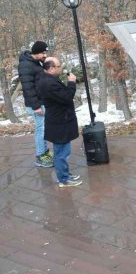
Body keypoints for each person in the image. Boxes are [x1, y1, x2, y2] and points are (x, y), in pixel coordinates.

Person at [35, 57, 81, 187]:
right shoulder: (49, 83)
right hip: (59, 122)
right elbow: (67, 97)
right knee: (61, 153)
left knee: (62, 151)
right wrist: (71, 82)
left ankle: (64, 174)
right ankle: (63, 179)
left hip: (59, 120)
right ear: (50, 68)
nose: (61, 68)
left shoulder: (48, 80)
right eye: (59, 66)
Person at [19, 41, 52, 167]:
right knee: (41, 130)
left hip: (41, 101)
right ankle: (40, 156)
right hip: (36, 104)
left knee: (43, 129)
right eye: (43, 53)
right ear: (36, 52)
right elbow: (28, 88)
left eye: (46, 52)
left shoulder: (35, 62)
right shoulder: (25, 65)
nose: (45, 55)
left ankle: (45, 152)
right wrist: (36, 106)